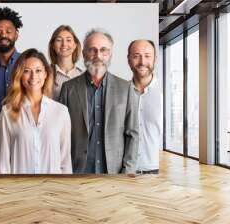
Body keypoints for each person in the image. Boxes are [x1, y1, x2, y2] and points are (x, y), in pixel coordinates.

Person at [59, 29, 139, 174]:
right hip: (76, 172)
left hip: (114, 174)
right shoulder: (68, 89)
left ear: (110, 55)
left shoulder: (126, 88)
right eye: (92, 50)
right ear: (83, 54)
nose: (98, 56)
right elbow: (60, 134)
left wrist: (128, 172)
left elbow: (132, 134)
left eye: (104, 50)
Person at [0, 48, 72, 174]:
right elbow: (4, 164)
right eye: (27, 71)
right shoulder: (7, 112)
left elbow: (65, 162)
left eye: (38, 70)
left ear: (45, 74)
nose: (33, 76)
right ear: (20, 75)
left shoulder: (61, 112)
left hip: (52, 191)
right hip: (20, 191)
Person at [127, 39, 162, 175]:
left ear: (154, 59)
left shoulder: (164, 91)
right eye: (136, 56)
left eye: (147, 56)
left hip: (156, 169)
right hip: (125, 170)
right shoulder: (120, 93)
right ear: (128, 59)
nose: (142, 62)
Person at [48, 25, 83, 100]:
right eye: (59, 40)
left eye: (68, 40)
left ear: (75, 45)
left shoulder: (83, 74)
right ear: (53, 45)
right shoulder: (45, 73)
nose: (64, 44)